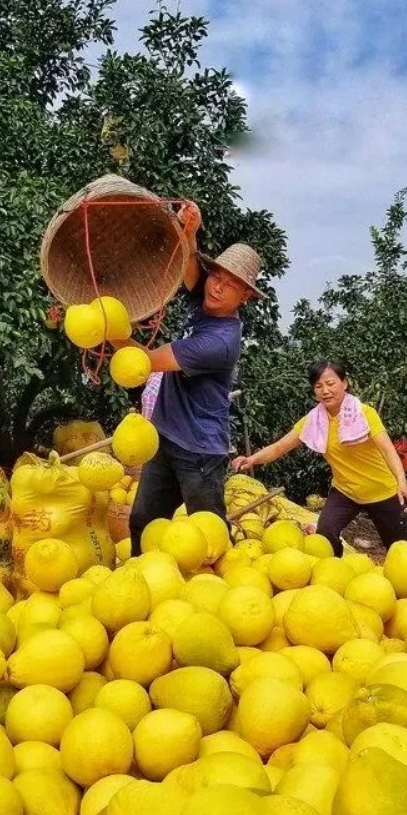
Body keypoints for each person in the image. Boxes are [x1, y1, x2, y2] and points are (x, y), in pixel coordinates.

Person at [112, 214, 265, 557]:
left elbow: (145, 362)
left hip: (199, 450)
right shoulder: (206, 300)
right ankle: (140, 578)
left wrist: (105, 326)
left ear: (245, 296)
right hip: (164, 438)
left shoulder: (220, 342)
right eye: (217, 276)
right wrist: (189, 230)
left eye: (230, 284)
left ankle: (220, 585)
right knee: (142, 522)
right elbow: (190, 265)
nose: (217, 287)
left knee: (208, 538)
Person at [232, 360, 407, 556]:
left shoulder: (364, 414)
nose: (325, 391)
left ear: (344, 383)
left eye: (330, 383)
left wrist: (402, 483)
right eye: (319, 386)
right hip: (345, 491)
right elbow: (279, 447)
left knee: (404, 551)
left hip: (381, 491)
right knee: (325, 535)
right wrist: (251, 460)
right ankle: (335, 568)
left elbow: (388, 450)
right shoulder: (314, 421)